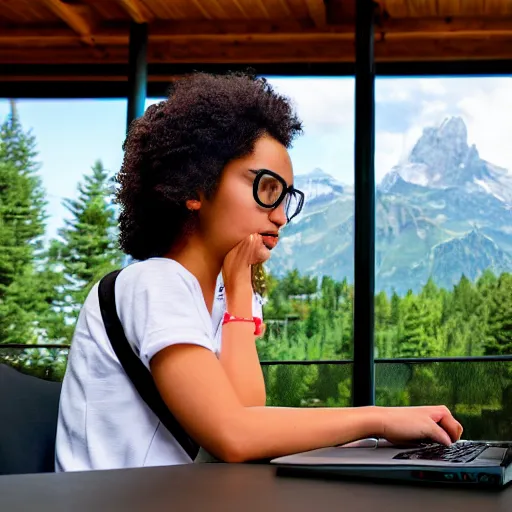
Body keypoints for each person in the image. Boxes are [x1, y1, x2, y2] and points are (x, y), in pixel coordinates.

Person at [55, 72, 463, 472]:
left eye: (287, 198)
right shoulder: (153, 282)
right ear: (195, 187)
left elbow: (248, 415)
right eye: (266, 188)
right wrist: (380, 419)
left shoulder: (223, 296)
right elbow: (234, 435)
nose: (282, 216)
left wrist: (237, 291)